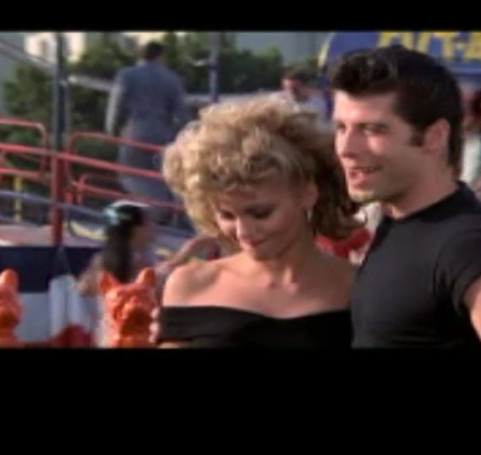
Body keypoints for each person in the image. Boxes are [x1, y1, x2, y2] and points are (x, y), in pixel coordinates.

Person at [329, 45, 481, 349]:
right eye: (341, 127)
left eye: (372, 130)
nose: (346, 148)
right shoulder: (398, 221)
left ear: (434, 137)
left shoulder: (473, 248)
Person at [154, 97, 360, 347]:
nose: (243, 231)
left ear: (308, 193)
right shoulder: (191, 285)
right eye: (227, 215)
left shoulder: (357, 288)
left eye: (260, 213)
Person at [75, 201, 216, 345]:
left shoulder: (102, 259)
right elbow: (154, 283)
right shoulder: (137, 261)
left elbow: (83, 288)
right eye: (148, 223)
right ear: (136, 229)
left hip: (108, 336)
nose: (153, 228)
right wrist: (185, 254)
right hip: (135, 337)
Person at [105, 41, 191, 215]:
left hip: (134, 134)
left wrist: (111, 131)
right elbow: (181, 114)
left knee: (130, 175)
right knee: (160, 180)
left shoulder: (126, 75)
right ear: (160, 56)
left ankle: (143, 215)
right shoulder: (171, 78)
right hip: (162, 136)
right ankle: (157, 215)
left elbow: (116, 106)